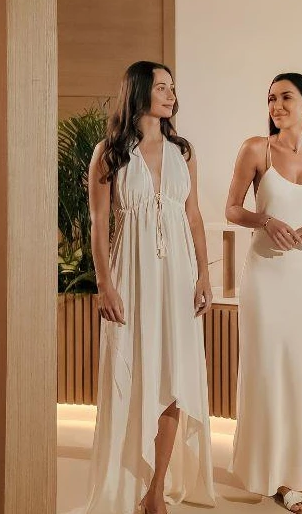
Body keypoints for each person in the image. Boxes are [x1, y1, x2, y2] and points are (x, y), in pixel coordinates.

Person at [83, 61, 217, 514]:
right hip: (131, 275)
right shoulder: (109, 153)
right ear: (139, 92)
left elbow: (193, 216)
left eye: (172, 87)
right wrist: (104, 284)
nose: (170, 94)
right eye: (162, 87)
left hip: (178, 275)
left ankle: (156, 491)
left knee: (175, 376)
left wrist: (204, 274)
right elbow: (99, 224)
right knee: (133, 371)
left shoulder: (184, 150)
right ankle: (125, 484)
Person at [224, 72, 302, 513]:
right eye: (271, 98)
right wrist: (265, 220)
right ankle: (265, 469)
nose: (276, 105)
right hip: (266, 277)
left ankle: (295, 474)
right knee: (266, 367)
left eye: (286, 97)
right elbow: (232, 207)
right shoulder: (256, 148)